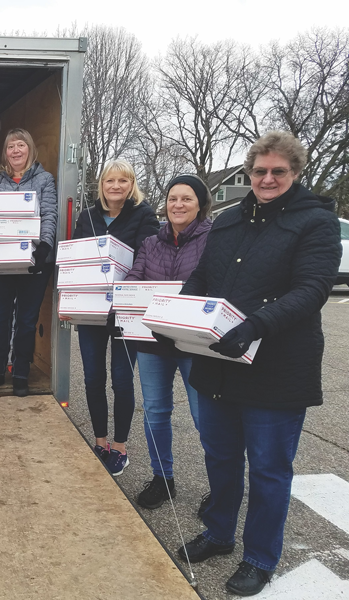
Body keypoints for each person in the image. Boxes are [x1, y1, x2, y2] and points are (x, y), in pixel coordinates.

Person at [175, 131, 341, 597]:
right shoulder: (227, 221)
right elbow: (203, 276)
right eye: (260, 171)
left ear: (295, 173)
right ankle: (219, 533)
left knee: (269, 468)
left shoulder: (316, 223)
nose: (267, 179)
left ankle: (259, 557)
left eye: (278, 171)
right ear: (249, 172)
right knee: (220, 456)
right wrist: (175, 312)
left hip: (276, 367)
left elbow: (311, 290)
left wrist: (255, 324)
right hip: (219, 361)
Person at [64, 160, 160, 475]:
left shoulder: (144, 216)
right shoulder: (87, 217)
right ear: (102, 185)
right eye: (110, 181)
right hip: (90, 310)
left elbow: (148, 259)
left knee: (121, 379)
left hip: (125, 310)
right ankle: (100, 440)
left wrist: (126, 286)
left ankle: (120, 447)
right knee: (92, 377)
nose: (115, 186)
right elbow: (77, 258)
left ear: (131, 184)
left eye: (122, 181)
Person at [122, 175, 212, 508]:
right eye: (173, 198)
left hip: (195, 342)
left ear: (200, 203)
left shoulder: (213, 238)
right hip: (152, 341)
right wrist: (124, 296)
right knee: (156, 412)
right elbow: (135, 278)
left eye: (186, 199)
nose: (178, 205)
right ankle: (163, 479)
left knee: (206, 417)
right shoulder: (151, 242)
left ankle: (220, 486)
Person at [0, 128, 57, 397]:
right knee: (0, 319)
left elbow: (49, 213)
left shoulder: (44, 179)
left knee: (27, 321)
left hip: (33, 262)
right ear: (5, 152)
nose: (16, 150)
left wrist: (44, 247)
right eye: (11, 146)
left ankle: (21, 372)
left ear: (30, 149)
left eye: (21, 145)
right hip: (0, 260)